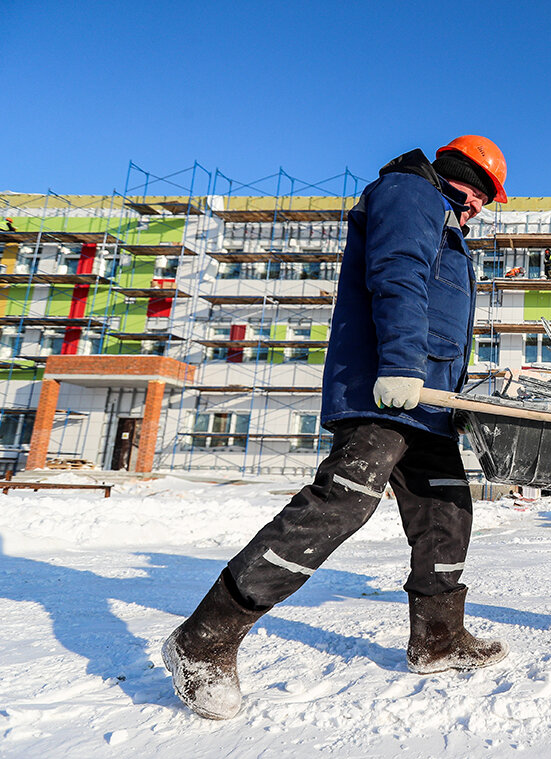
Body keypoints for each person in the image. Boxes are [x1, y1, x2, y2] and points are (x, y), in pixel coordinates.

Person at [164, 135, 511, 720]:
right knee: (342, 505)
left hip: (429, 401)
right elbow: (398, 276)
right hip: (389, 390)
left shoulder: (447, 221)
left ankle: (438, 638)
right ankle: (205, 637)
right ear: (456, 172)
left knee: (447, 509)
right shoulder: (411, 194)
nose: (480, 206)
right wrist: (401, 364)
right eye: (480, 192)